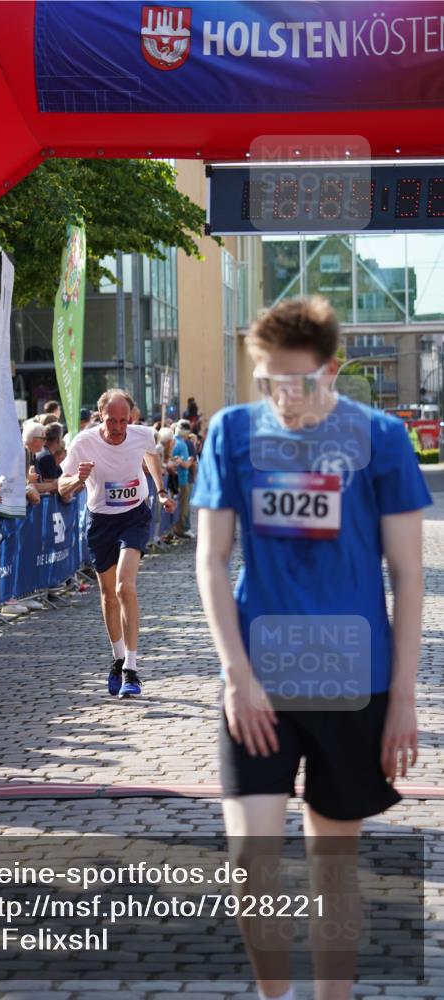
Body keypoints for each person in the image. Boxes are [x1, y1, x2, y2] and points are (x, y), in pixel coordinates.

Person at [193, 296, 431, 1000]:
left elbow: (409, 573)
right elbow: (210, 560)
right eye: (266, 379)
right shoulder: (231, 433)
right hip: (259, 681)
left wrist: (402, 699)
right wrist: (235, 675)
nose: (280, 396)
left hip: (352, 681)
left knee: (332, 870)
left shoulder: (380, 437)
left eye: (293, 380)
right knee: (250, 862)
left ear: (329, 369)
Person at [59, 389, 176, 699]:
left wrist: (161, 490)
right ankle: (118, 658)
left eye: (124, 421)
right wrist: (78, 480)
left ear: (131, 418)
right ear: (101, 416)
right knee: (109, 595)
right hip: (100, 520)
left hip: (135, 514)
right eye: (112, 421)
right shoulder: (84, 442)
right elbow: (62, 486)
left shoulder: (142, 435)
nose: (119, 427)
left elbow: (151, 456)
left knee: (126, 587)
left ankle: (132, 669)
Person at [172, 420, 195, 539]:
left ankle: (175, 528)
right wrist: (190, 461)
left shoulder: (173, 441)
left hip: (174, 479)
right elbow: (185, 464)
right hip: (182, 479)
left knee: (177, 505)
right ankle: (180, 529)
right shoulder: (182, 444)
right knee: (183, 506)